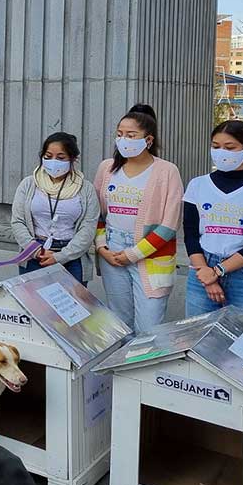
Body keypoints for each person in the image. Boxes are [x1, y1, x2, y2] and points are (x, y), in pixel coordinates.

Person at [93, 104, 182, 333]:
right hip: (112, 251)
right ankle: (118, 370)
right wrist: (102, 247)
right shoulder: (107, 168)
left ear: (148, 140)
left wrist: (133, 254)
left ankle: (142, 369)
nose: (124, 140)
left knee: (149, 328)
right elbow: (98, 214)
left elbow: (169, 225)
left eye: (131, 135)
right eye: (120, 134)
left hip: (150, 255)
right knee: (119, 322)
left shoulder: (166, 171)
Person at [184, 121, 243, 317]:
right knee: (197, 336)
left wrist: (217, 271)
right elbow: (190, 235)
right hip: (202, 270)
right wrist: (206, 273)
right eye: (216, 147)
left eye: (229, 147)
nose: (221, 152)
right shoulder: (197, 185)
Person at [10, 132, 100, 285]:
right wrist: (36, 250)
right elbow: (17, 222)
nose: (53, 161)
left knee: (71, 305)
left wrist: (61, 256)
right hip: (35, 254)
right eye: (48, 156)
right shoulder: (28, 184)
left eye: (60, 157)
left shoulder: (86, 189)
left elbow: (88, 228)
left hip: (72, 257)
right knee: (35, 306)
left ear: (73, 159)